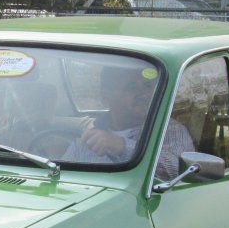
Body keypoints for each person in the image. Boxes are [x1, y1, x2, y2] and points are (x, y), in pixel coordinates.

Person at [63, 65, 195, 177]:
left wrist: (123, 147)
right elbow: (60, 179)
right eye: (132, 87)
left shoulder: (169, 129)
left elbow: (184, 172)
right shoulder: (85, 141)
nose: (144, 94)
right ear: (106, 95)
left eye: (147, 85)